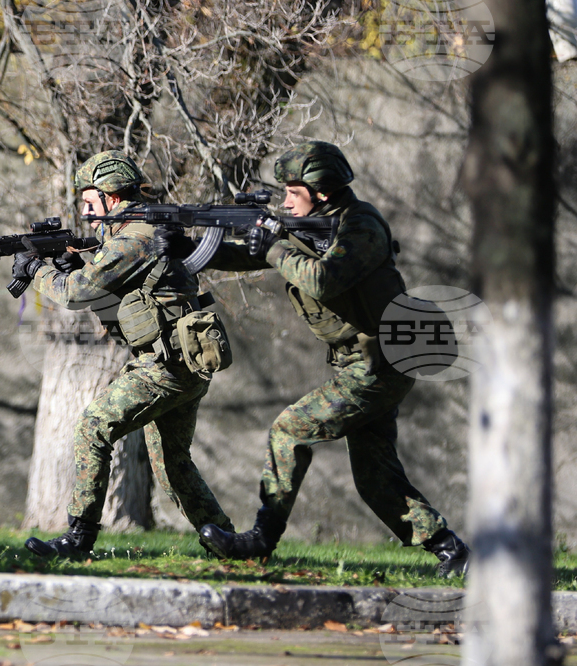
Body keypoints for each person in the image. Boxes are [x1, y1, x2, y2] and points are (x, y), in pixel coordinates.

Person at [162, 141, 469, 576]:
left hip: (380, 363)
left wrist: (272, 245)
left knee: (290, 430)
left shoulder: (360, 226)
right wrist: (191, 248)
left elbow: (323, 280)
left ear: (321, 191)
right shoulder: (311, 224)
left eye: (292, 190)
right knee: (375, 478)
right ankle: (452, 552)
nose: (285, 200)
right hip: (363, 364)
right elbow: (253, 254)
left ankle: (261, 539)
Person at [15, 150, 234, 558]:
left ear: (110, 196)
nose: (83, 208)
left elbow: (78, 292)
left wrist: (36, 271)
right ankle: (226, 541)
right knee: (172, 465)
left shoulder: (135, 237)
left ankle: (78, 539)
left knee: (93, 426)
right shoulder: (132, 233)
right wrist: (68, 261)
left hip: (165, 365)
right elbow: (106, 279)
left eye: (88, 198)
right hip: (179, 361)